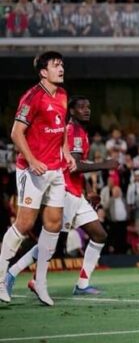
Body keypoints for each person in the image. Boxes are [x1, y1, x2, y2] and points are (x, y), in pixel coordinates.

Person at [6, 96, 118, 297]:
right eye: (81, 107)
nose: (87, 110)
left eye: (88, 106)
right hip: (64, 192)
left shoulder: (80, 131)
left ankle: (82, 284)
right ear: (71, 111)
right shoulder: (71, 131)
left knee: (99, 235)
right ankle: (12, 273)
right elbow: (74, 166)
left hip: (76, 194)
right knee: (54, 246)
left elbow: (72, 166)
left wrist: (87, 191)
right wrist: (105, 165)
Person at [0, 51, 77, 306]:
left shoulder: (64, 95)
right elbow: (15, 132)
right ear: (43, 72)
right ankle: (0, 278)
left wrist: (65, 152)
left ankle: (40, 281)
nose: (61, 68)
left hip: (55, 169)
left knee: (54, 224)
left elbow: (62, 128)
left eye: (62, 64)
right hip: (31, 170)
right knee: (24, 224)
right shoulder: (32, 97)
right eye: (56, 65)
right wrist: (32, 161)